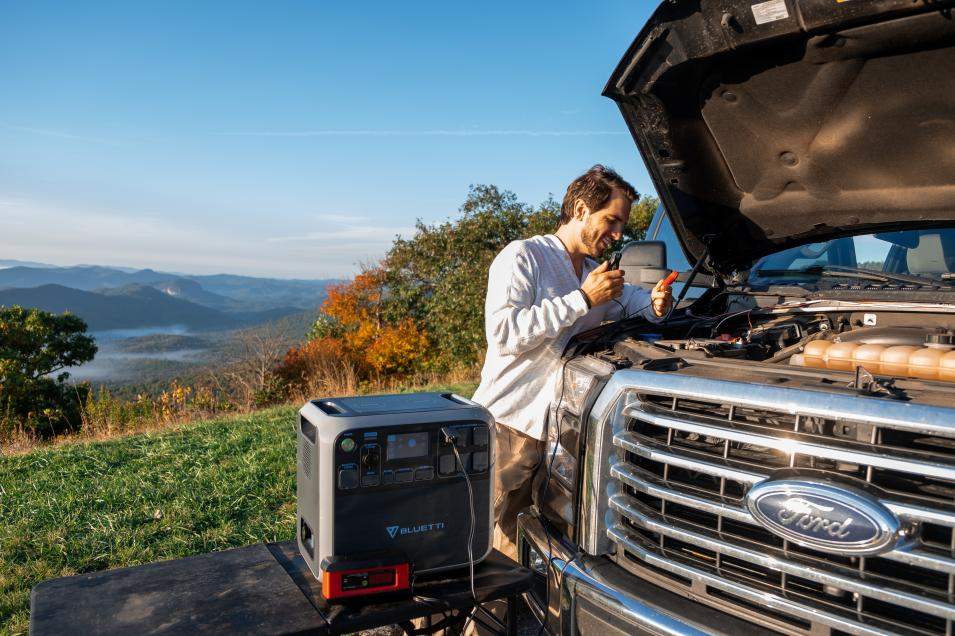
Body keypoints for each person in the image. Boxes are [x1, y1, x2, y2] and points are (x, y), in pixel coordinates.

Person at [471, 164, 673, 561]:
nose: (618, 234)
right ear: (581, 209)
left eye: (621, 225)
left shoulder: (594, 272)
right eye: (611, 221)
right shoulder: (524, 256)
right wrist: (581, 300)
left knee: (530, 543)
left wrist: (655, 304)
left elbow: (632, 299)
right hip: (508, 426)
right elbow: (504, 332)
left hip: (562, 433)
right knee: (481, 546)